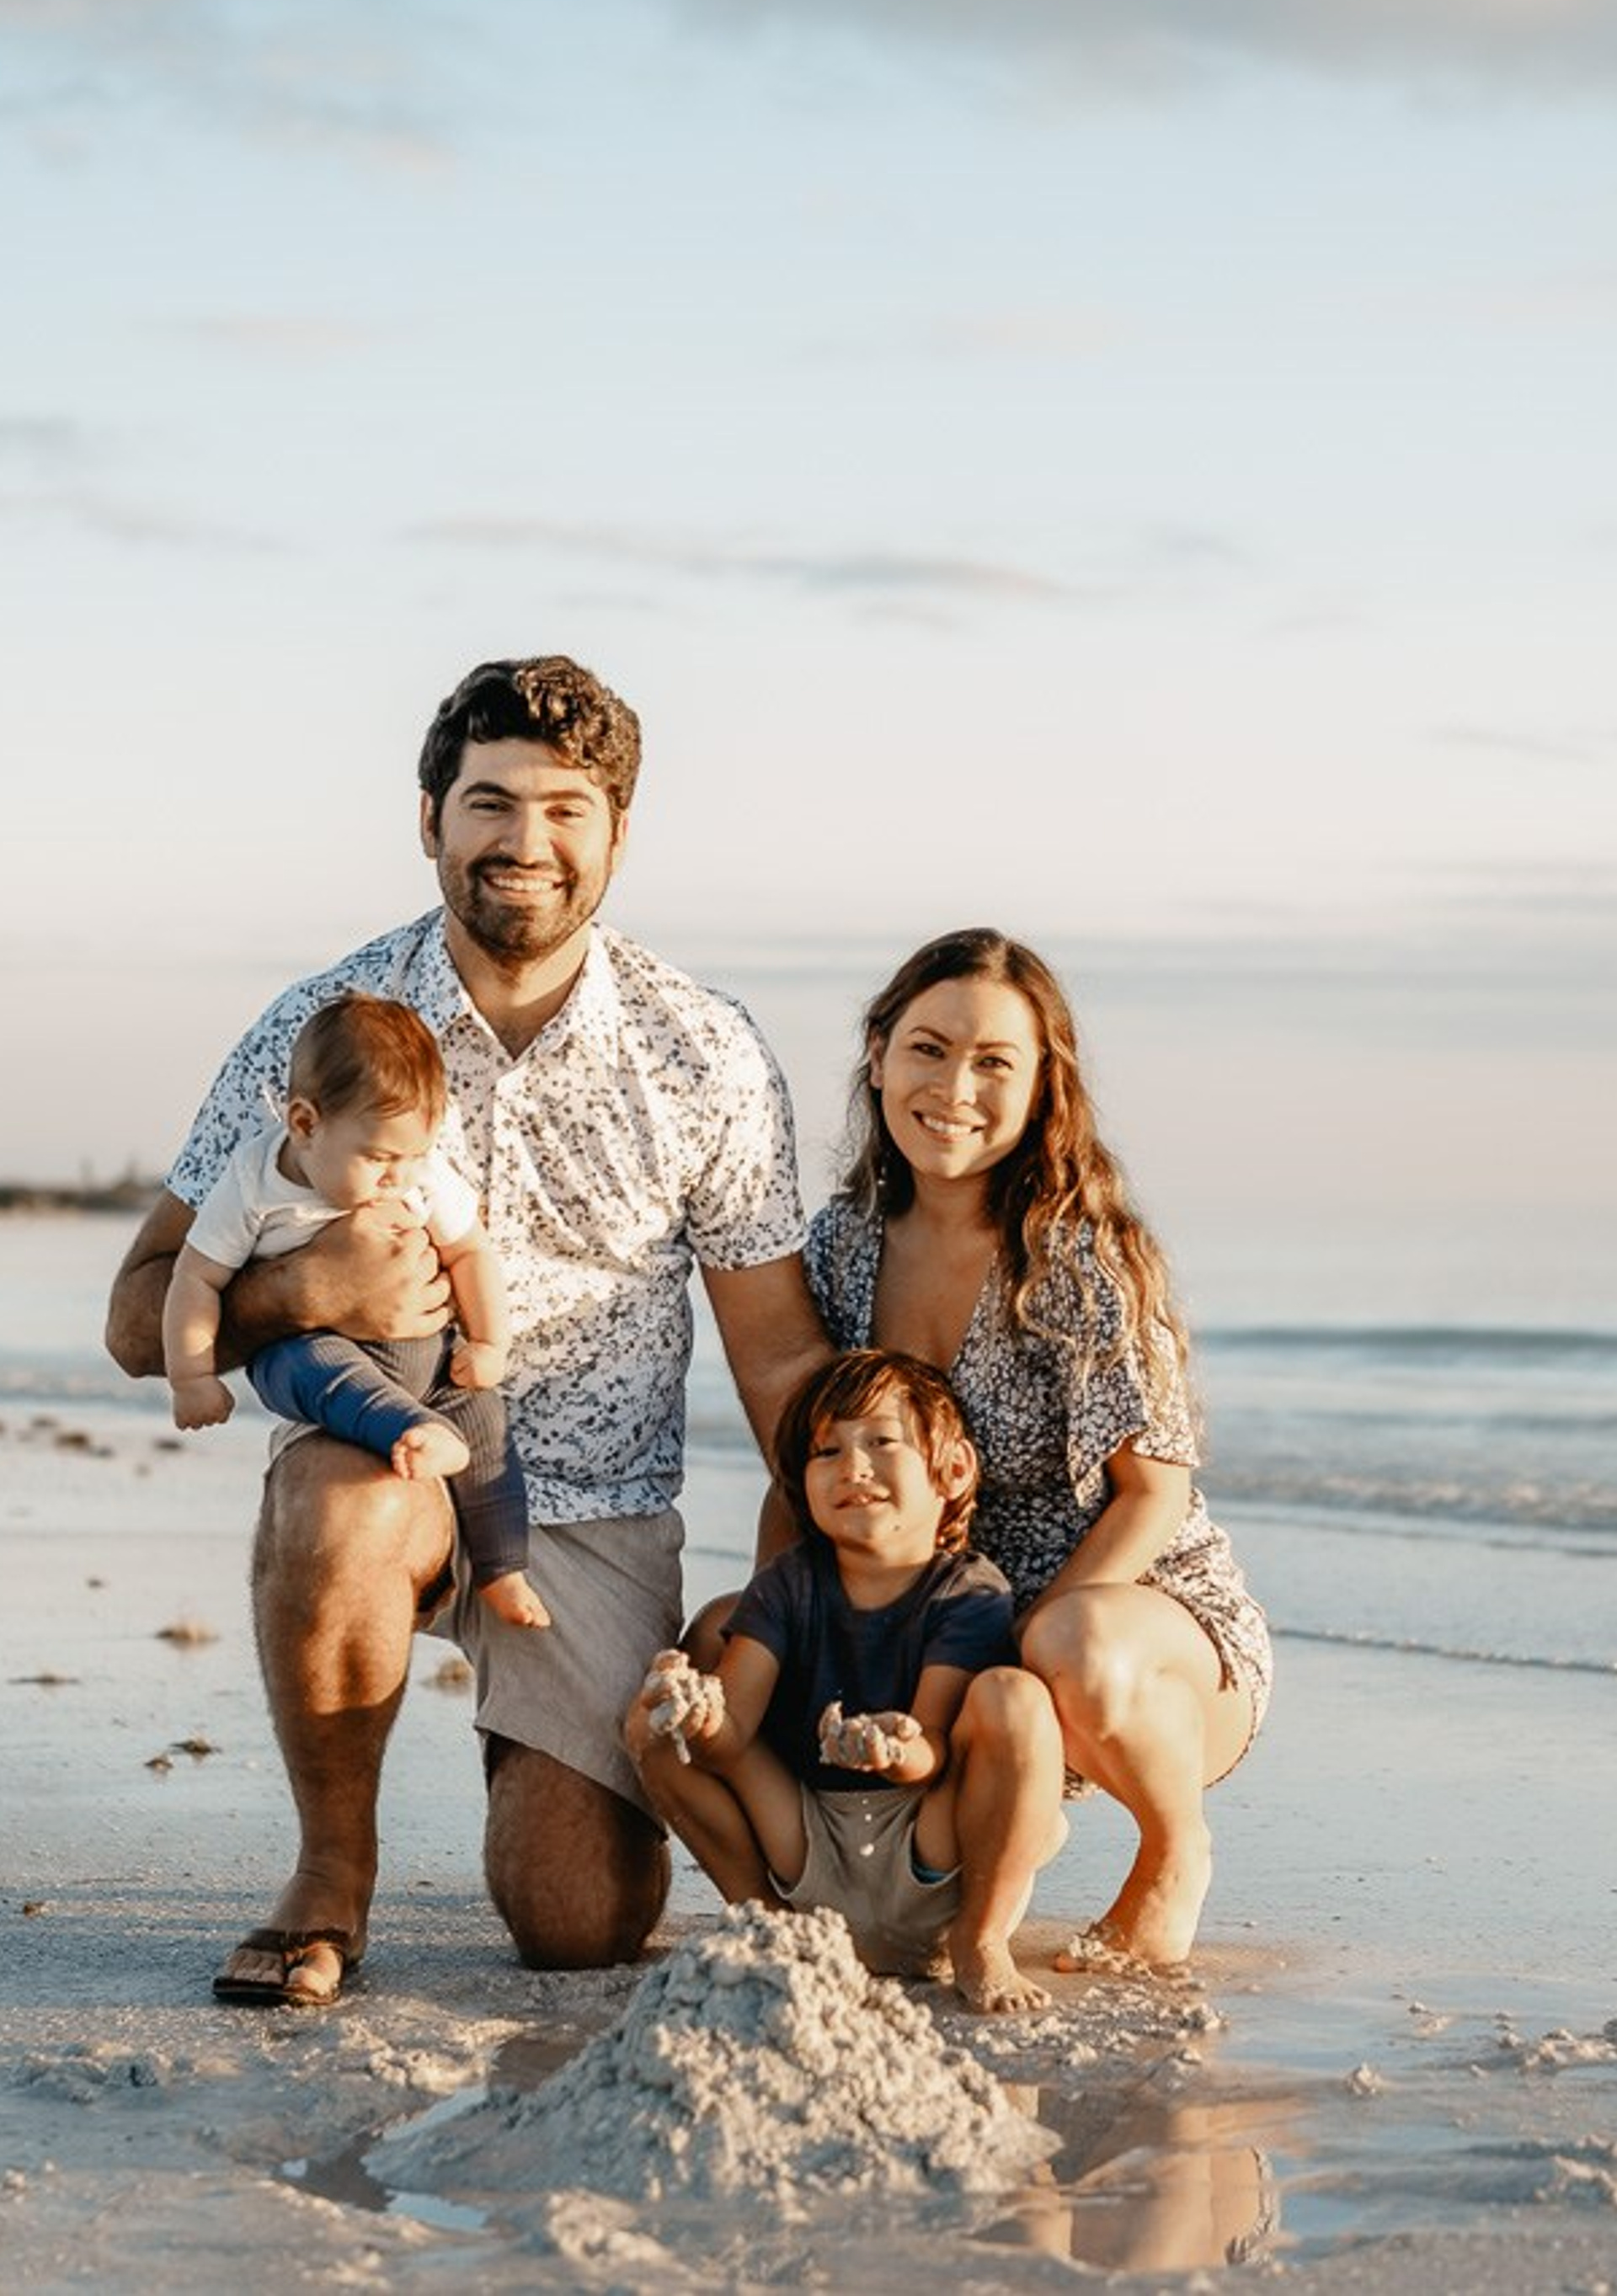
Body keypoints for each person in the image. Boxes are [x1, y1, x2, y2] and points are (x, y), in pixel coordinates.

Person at [106, 655, 828, 2007]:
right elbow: (138, 1318)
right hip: (386, 1462)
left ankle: (533, 1737)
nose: (525, 843)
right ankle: (332, 1874)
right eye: (490, 802)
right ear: (429, 816)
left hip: (595, 1510)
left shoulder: (707, 1050)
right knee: (340, 1500)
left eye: (566, 809)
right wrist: (308, 1297)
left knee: (578, 1924)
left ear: (619, 834)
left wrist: (855, 1576)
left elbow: (780, 1357)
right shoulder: (321, 1029)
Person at [797, 927, 1273, 1968]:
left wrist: (1022, 1635)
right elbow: (834, 1461)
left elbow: (1153, 1496)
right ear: (877, 1055)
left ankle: (1173, 1849)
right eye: (928, 1048)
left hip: (1141, 1631)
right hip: (957, 1629)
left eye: (994, 1062)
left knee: (1072, 1648)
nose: (954, 1086)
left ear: (1041, 1086)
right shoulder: (843, 1245)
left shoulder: (1075, 1254)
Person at [626, 1349, 1065, 2011]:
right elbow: (730, 1738)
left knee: (1016, 1699)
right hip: (807, 1843)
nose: (852, 1467)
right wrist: (702, 1713)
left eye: (881, 1441)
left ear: (953, 1470)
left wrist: (894, 1750)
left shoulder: (966, 1593)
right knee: (650, 1722)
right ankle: (768, 1922)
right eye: (826, 1451)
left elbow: (935, 1752)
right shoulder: (789, 1583)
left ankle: (981, 1938)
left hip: (929, 1849)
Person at [163, 992, 548, 1633]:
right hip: (312, 1351)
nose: (400, 1178)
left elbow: (470, 1250)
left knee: (486, 1422)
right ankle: (405, 1431)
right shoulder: (255, 1184)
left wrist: (490, 1343)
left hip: (428, 1361)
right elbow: (195, 1276)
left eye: (414, 1156)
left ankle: (504, 1568)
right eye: (379, 1159)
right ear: (306, 1124)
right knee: (319, 1366)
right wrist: (192, 1376)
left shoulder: (419, 1174)